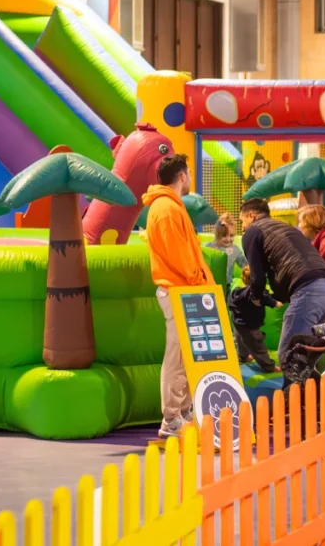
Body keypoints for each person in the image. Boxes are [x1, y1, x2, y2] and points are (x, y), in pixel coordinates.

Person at [143, 154, 208, 438]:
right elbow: (180, 256)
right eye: (189, 173)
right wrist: (198, 280)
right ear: (182, 176)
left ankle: (181, 413)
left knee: (185, 356)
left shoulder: (170, 206)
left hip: (184, 289)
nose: (191, 177)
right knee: (178, 357)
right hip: (179, 289)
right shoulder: (167, 208)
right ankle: (171, 418)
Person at [239, 198, 325, 364]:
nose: (242, 227)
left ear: (251, 215)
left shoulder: (253, 231)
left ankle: (294, 381)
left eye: (242, 221)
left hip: (307, 290)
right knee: (309, 354)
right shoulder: (287, 228)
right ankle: (314, 381)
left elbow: (257, 276)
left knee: (289, 355)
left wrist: (256, 298)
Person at [227, 266, 279, 372]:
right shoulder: (258, 294)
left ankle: (243, 357)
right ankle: (269, 367)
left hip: (237, 323)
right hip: (250, 326)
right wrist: (276, 302)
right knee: (257, 346)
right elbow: (268, 299)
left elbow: (230, 304)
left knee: (240, 340)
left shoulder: (236, 292)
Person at [204, 214, 246, 291]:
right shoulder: (208, 247)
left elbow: (244, 264)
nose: (228, 239)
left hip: (226, 285)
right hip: (209, 284)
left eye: (231, 235)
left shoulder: (235, 250)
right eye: (224, 236)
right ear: (217, 235)